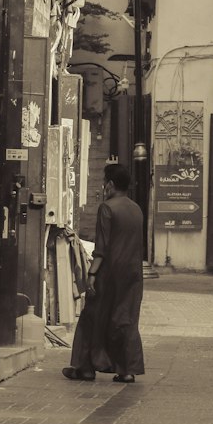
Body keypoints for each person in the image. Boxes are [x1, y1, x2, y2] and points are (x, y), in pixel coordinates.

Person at [64, 163, 146, 383]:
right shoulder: (136, 209)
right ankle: (127, 371)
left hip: (109, 273)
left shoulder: (107, 208)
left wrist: (91, 274)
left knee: (93, 317)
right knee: (125, 319)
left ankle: (86, 368)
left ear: (110, 184)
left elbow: (102, 248)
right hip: (132, 273)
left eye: (104, 182)